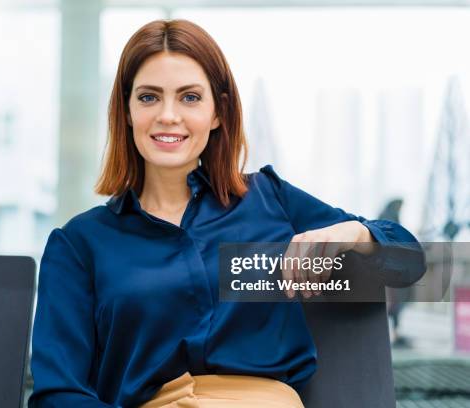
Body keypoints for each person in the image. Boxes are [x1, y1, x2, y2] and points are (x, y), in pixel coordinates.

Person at [28, 19, 424, 407]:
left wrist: (355, 233)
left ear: (217, 112)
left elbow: (409, 261)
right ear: (127, 111)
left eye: (189, 97)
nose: (168, 115)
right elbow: (58, 392)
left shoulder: (271, 200)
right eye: (149, 97)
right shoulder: (79, 245)